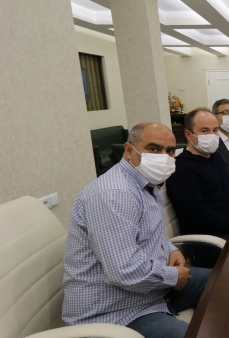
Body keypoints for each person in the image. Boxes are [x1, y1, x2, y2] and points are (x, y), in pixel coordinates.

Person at [62, 122, 212, 338]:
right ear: (128, 150)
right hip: (115, 313)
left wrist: (171, 249)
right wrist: (173, 276)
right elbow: (124, 271)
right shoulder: (114, 194)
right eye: (154, 149)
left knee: (224, 282)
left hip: (151, 292)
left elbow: (150, 232)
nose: (164, 157)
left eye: (170, 151)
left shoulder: (148, 183)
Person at [166, 108, 229, 267]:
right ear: (188, 134)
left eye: (215, 130)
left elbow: (225, 189)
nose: (212, 135)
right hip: (210, 242)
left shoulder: (216, 157)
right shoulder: (182, 169)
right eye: (204, 131)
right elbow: (198, 216)